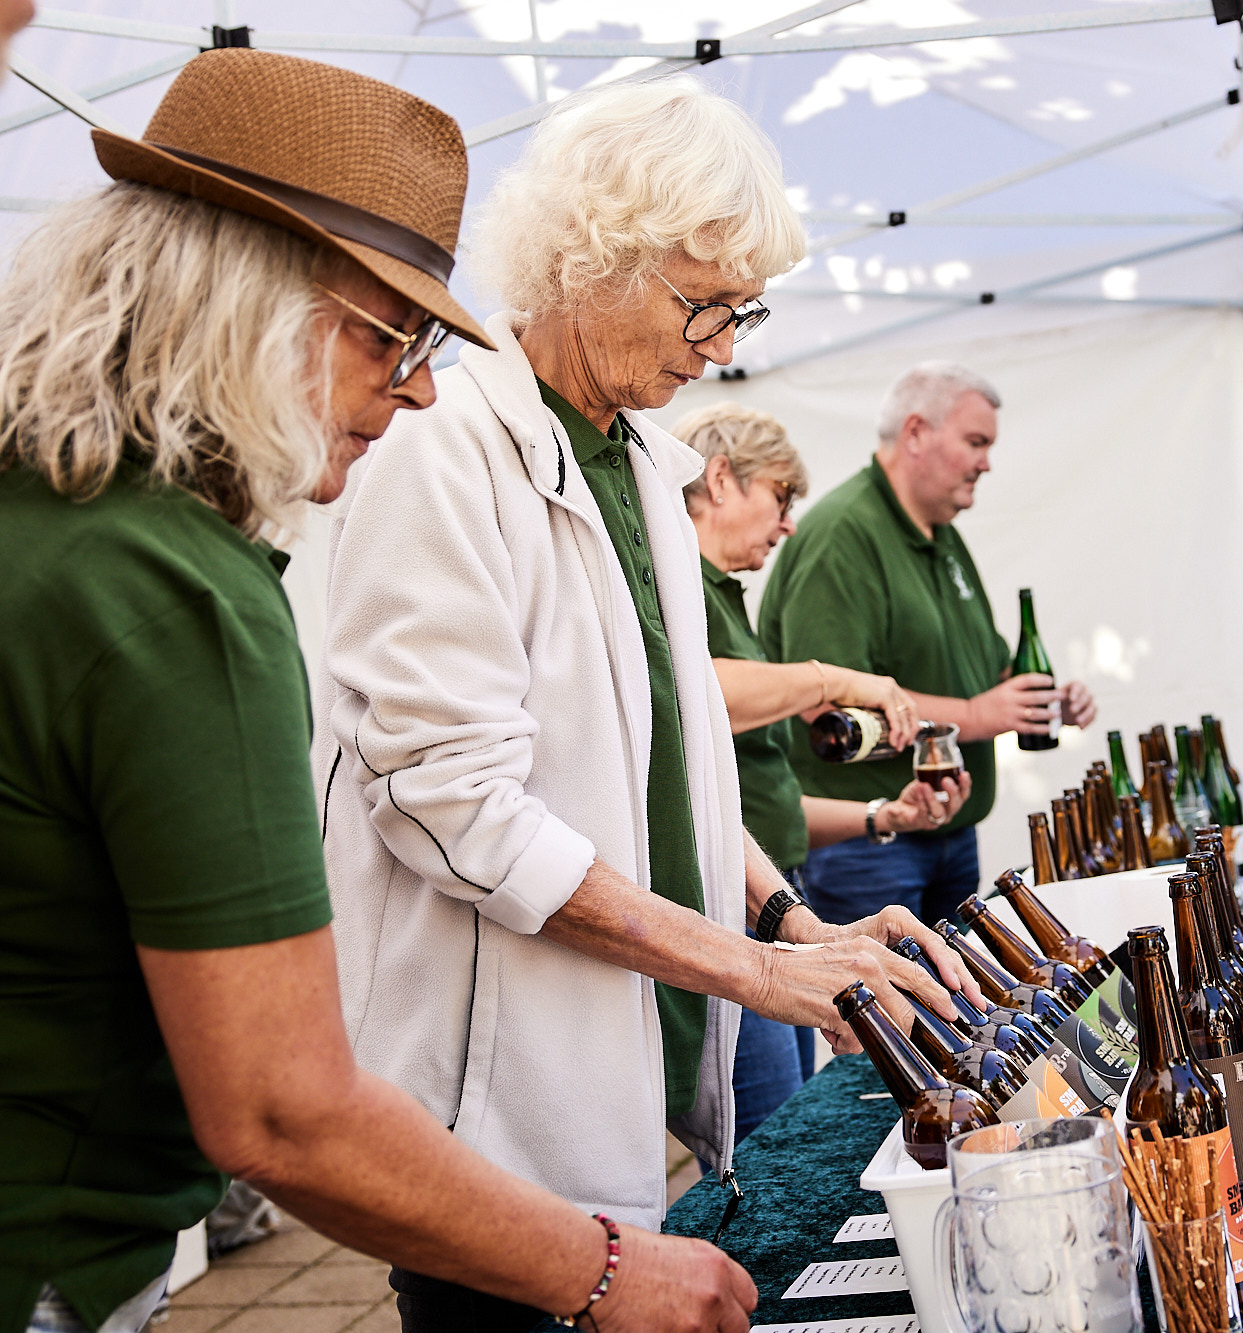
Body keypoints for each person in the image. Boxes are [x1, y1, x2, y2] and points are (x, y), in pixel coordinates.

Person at [0, 49, 761, 1333]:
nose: (414, 387)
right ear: (237, 303)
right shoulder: (176, 588)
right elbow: (280, 1105)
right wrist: (604, 1271)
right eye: (389, 334)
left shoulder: (50, 524)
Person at [315, 79, 975, 1331]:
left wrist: (791, 922)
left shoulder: (639, 460)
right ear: (589, 257)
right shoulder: (440, 447)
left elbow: (673, 763)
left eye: (741, 310)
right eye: (702, 304)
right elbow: (455, 809)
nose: (722, 345)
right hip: (483, 1113)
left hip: (613, 1083)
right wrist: (754, 969)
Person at [677, 401, 973, 1130]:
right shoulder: (677, 586)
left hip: (768, 896)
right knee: (777, 1132)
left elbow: (761, 807)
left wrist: (882, 816)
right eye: (781, 496)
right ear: (721, 478)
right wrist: (834, 680)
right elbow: (697, 693)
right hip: (726, 917)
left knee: (797, 1114)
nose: (788, 525)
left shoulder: (723, 597)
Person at [758, 363, 1097, 928]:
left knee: (954, 986)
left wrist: (1044, 700)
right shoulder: (841, 535)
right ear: (915, 432)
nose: (986, 462)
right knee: (890, 989)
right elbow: (827, 707)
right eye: (976, 442)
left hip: (947, 831)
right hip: (867, 845)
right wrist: (975, 716)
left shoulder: (942, 534)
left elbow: (986, 670)